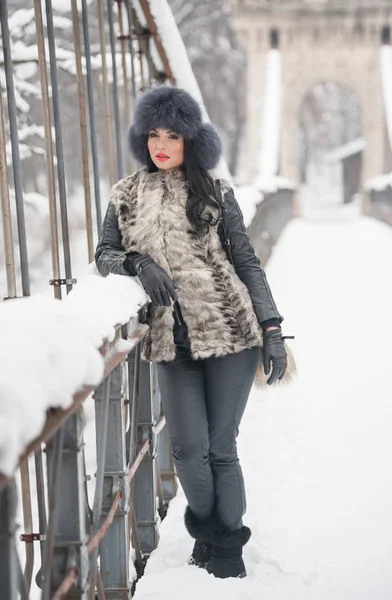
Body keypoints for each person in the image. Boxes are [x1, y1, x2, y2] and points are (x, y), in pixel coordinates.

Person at [95, 86, 294, 579]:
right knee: (187, 449)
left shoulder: (215, 190)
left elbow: (246, 263)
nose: (162, 143)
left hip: (230, 331)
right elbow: (103, 256)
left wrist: (271, 328)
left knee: (220, 448)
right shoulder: (125, 194)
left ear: (192, 140)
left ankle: (226, 553)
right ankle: (213, 535)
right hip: (170, 341)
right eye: (153, 134)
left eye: (173, 135)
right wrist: (137, 262)